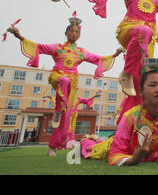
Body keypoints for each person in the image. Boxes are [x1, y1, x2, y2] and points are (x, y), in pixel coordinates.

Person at [8, 18, 122, 156]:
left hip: (72, 83)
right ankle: (57, 110)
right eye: (71, 31)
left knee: (66, 116)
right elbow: (38, 47)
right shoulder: (57, 47)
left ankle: (53, 146)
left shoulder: (81, 52)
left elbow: (98, 59)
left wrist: (115, 54)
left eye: (76, 31)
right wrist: (18, 35)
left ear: (79, 35)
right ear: (66, 33)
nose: (74, 33)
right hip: (58, 76)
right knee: (64, 81)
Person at [80, 64, 158, 166]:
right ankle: (84, 140)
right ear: (141, 91)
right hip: (109, 148)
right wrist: (134, 160)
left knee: (98, 142)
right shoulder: (130, 117)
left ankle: (93, 139)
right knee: (90, 148)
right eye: (152, 85)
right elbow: (115, 154)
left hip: (145, 156)